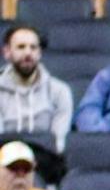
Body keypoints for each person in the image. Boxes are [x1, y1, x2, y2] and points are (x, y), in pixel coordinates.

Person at [0, 27, 73, 176]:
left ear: (39, 53)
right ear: (7, 52)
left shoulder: (60, 91)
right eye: (21, 47)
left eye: (33, 47)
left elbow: (58, 144)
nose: (28, 53)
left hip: (45, 166)